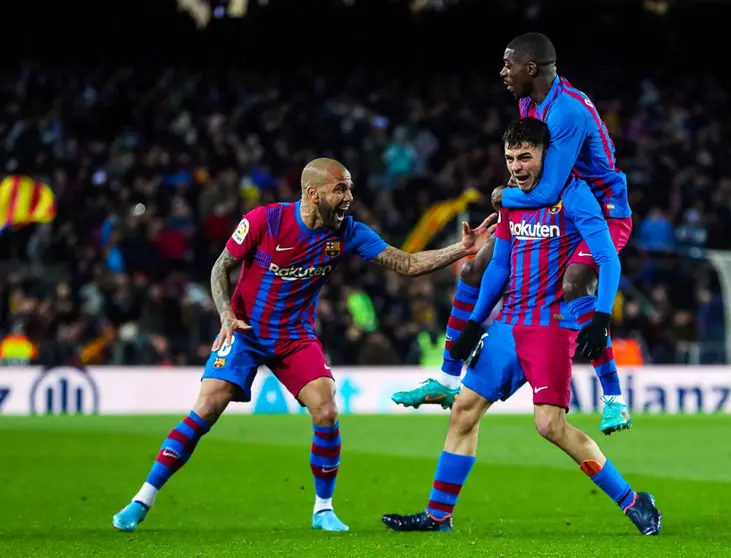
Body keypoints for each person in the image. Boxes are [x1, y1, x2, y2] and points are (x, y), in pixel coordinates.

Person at [112, 158, 496, 533]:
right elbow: (220, 266)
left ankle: (323, 509)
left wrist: (462, 249)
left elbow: (407, 264)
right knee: (207, 407)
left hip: (295, 338)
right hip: (245, 331)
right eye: (340, 189)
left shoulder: (348, 232)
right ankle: (142, 499)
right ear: (312, 193)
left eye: (350, 188)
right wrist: (226, 314)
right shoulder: (266, 220)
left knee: (326, 409)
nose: (348, 197)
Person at [382, 119, 660, 536]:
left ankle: (632, 499)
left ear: (547, 154)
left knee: (550, 426)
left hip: (550, 327)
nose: (517, 166)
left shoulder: (573, 194)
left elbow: (607, 257)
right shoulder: (512, 200)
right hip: (510, 325)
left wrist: (601, 316)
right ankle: (439, 516)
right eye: (511, 158)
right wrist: (477, 321)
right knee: (463, 410)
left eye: (525, 156)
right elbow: (500, 264)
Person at [392, 33, 634, 436]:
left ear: (531, 69)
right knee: (476, 269)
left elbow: (549, 189)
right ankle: (447, 380)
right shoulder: (528, 102)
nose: (503, 72)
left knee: (575, 283)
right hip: (552, 203)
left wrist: (503, 196)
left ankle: (614, 398)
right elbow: (531, 170)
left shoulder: (567, 112)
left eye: (509, 64)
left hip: (599, 210)